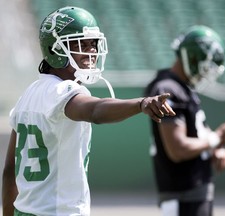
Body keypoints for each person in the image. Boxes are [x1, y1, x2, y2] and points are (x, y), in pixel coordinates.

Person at [2, 6, 175, 216]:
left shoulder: (28, 95)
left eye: (93, 43)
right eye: (80, 44)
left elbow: (11, 170)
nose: (91, 51)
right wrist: (141, 103)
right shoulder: (62, 91)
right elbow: (95, 110)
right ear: (55, 49)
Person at [144, 25, 225, 216]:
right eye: (205, 64)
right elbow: (178, 149)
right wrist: (217, 137)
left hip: (193, 193)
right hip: (182, 194)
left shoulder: (183, 88)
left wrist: (216, 146)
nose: (206, 72)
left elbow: (197, 132)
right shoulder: (167, 89)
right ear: (193, 57)